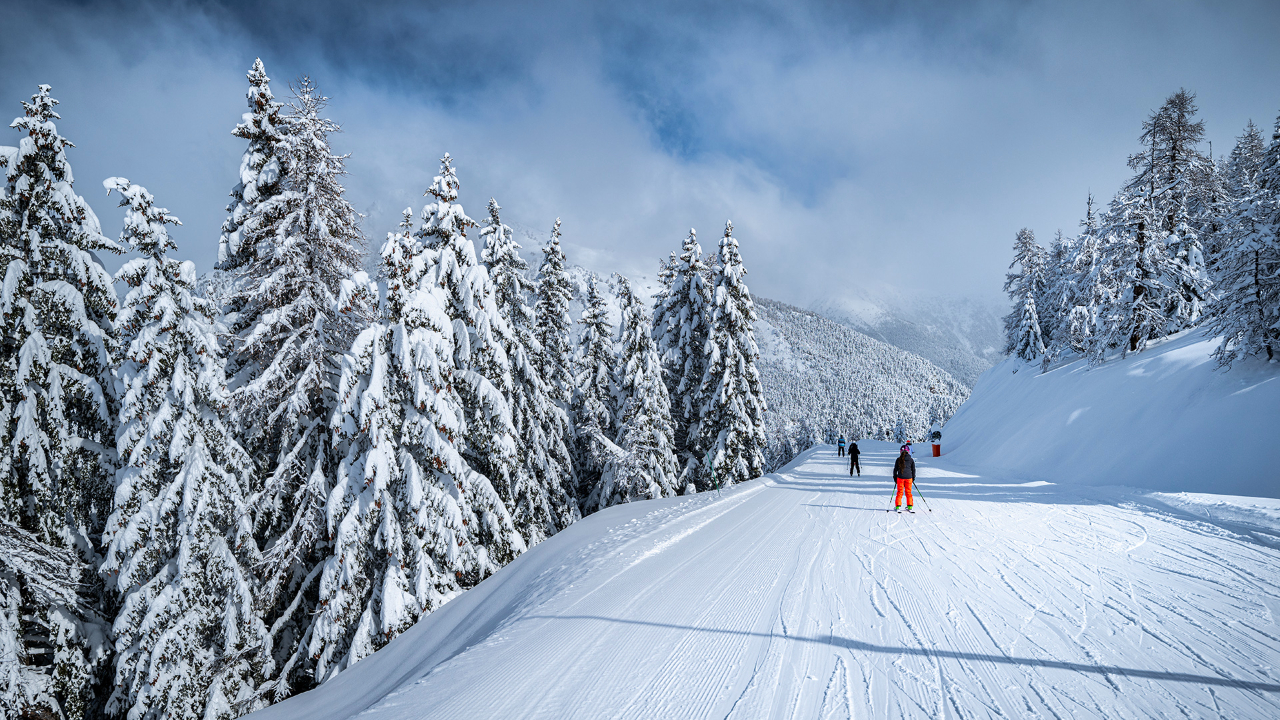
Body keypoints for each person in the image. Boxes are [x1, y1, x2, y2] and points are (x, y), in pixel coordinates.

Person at [893, 444, 915, 511]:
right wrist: (913, 478)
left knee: (900, 492)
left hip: (900, 478)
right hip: (909, 478)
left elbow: (895, 470)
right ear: (908, 451)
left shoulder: (898, 460)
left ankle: (898, 506)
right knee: (908, 492)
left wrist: (895, 478)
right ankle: (910, 506)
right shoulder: (911, 460)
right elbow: (913, 470)